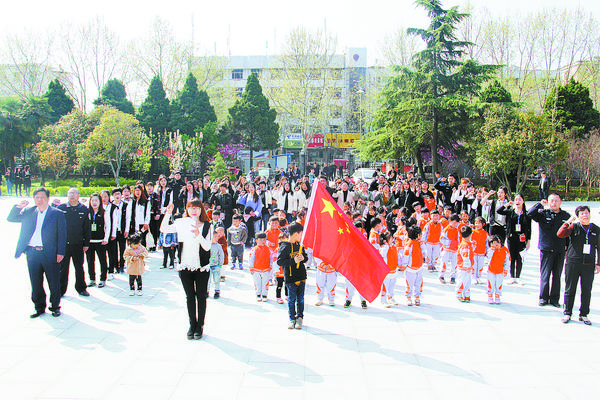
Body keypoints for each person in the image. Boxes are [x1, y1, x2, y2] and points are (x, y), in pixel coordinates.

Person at [7, 187, 67, 318]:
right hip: (32, 253)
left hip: (50, 253)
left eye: (42, 197)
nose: (39, 200)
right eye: (37, 197)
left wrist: (60, 252)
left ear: (47, 199)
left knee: (53, 281)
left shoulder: (57, 213)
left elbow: (62, 235)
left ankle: (55, 306)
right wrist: (19, 206)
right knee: (35, 281)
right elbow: (11, 218)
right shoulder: (29, 211)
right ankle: (39, 307)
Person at [160, 199, 212, 340]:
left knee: (201, 297)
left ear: (201, 209)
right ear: (187, 209)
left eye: (197, 208)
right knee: (190, 297)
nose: (194, 211)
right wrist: (168, 213)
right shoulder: (181, 223)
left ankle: (200, 325)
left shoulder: (207, 225)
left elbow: (207, 247)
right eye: (191, 208)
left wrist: (198, 234)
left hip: (201, 266)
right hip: (185, 265)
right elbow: (164, 229)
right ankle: (191, 325)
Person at [557, 206, 600, 325]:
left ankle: (584, 314)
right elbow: (560, 234)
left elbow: (599, 247)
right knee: (570, 289)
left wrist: (598, 264)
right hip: (573, 263)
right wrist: (569, 221)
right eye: (582, 214)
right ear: (578, 216)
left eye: (587, 213)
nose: (585, 215)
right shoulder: (574, 227)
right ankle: (567, 313)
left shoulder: (596, 229)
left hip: (589, 264)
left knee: (586, 290)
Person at [528, 194, 570, 307]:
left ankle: (555, 299)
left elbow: (568, 235)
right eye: (552, 201)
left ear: (560, 202)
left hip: (560, 250)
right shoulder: (543, 213)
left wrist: (567, 249)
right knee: (545, 275)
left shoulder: (566, 215)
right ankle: (543, 298)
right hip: (546, 249)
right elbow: (530, 213)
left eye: (556, 201)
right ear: (549, 202)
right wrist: (540, 204)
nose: (554, 203)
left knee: (557, 275)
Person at [55, 188, 91, 297]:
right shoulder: (60, 208)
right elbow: (55, 226)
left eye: (74, 193)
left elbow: (87, 228)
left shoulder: (84, 209)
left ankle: (81, 288)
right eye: (70, 193)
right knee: (62, 268)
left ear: (78, 195)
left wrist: (86, 243)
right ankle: (60, 290)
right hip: (63, 245)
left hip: (78, 244)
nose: (72, 195)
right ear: (67, 195)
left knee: (79, 267)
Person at [277, 222, 308, 329]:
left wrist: (303, 258)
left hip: (301, 276)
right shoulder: (284, 246)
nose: (301, 236)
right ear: (295, 234)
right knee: (291, 299)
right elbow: (280, 262)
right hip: (290, 278)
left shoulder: (300, 245)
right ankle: (292, 318)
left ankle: (300, 317)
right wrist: (293, 260)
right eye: (301, 234)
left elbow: (306, 257)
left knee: (301, 299)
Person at [497, 193, 531, 284]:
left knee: (519, 257)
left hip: (522, 238)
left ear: (523, 201)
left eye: (520, 199)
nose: (517, 201)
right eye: (516, 200)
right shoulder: (510, 211)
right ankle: (512, 276)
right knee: (512, 256)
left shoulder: (527, 214)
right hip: (512, 237)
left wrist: (528, 241)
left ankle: (518, 276)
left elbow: (529, 228)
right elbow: (499, 211)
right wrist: (507, 205)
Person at [86, 193, 110, 288]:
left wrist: (106, 238)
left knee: (102, 260)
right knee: (90, 260)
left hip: (100, 240)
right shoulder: (87, 212)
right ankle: (92, 279)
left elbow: (108, 226)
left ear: (100, 202)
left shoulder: (104, 212)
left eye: (96, 200)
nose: (94, 203)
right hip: (89, 241)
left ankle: (103, 279)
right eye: (93, 200)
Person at [108, 187, 131, 277]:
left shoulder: (125, 205)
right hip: (113, 230)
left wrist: (127, 230)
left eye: (119, 194)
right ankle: (115, 265)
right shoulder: (111, 205)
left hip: (122, 229)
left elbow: (128, 218)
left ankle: (122, 264)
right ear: (112, 196)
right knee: (113, 249)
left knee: (122, 248)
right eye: (115, 194)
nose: (117, 196)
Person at [486, 235, 510, 304]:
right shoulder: (490, 250)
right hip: (491, 270)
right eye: (494, 244)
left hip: (500, 271)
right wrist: (492, 249)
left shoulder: (505, 250)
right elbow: (488, 257)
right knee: (491, 283)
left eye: (497, 244)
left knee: (499, 284)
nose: (496, 246)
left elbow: (508, 260)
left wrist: (506, 270)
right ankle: (490, 295)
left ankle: (497, 295)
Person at [249, 232, 273, 302]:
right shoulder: (254, 249)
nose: (263, 241)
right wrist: (251, 267)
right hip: (256, 269)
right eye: (261, 240)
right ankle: (258, 294)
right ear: (256, 240)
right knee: (257, 282)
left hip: (266, 269)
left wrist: (270, 266)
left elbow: (271, 258)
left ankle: (264, 294)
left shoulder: (268, 249)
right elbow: (251, 259)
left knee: (265, 282)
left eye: (264, 240)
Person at [403, 225, 424, 306]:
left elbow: (423, 251)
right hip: (410, 268)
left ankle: (417, 296)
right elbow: (406, 254)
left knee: (418, 283)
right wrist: (405, 265)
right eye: (419, 234)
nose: (421, 235)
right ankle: (408, 297)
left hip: (419, 267)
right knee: (410, 283)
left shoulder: (419, 242)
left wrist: (421, 244)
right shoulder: (410, 243)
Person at [379, 232, 400, 307]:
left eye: (392, 239)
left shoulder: (394, 247)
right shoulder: (383, 248)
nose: (392, 240)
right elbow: (382, 255)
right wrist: (386, 246)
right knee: (385, 286)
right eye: (390, 239)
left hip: (394, 270)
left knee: (392, 285)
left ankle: (390, 297)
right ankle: (383, 299)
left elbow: (397, 256)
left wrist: (400, 264)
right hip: (387, 271)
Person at [456, 225, 474, 302]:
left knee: (468, 281)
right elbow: (465, 257)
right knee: (462, 280)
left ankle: (467, 294)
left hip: (468, 267)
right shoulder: (465, 245)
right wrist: (467, 266)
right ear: (470, 234)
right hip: (464, 267)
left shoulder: (468, 243)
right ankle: (459, 294)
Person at [208, 227, 225, 299]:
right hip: (208, 266)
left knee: (216, 279)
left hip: (216, 266)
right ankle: (206, 291)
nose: (216, 238)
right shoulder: (207, 245)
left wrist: (220, 264)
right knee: (207, 280)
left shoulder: (218, 246)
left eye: (217, 237)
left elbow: (221, 255)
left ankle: (217, 291)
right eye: (214, 237)